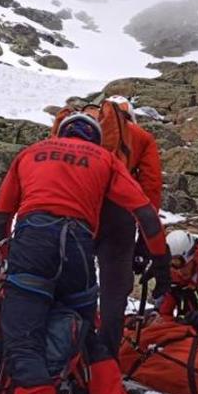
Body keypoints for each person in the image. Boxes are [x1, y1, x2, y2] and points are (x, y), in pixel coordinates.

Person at [0, 112, 170, 394]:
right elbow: (145, 214)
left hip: (33, 243)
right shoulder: (105, 159)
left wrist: (6, 254)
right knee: (90, 342)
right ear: (94, 139)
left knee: (24, 345)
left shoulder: (31, 153)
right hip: (78, 250)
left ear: (62, 131)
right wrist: (161, 260)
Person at [71, 97, 164, 358]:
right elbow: (151, 187)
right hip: (119, 213)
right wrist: (146, 241)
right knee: (114, 289)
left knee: (73, 280)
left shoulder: (78, 131)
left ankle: (68, 348)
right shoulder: (142, 138)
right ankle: (106, 358)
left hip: (79, 210)